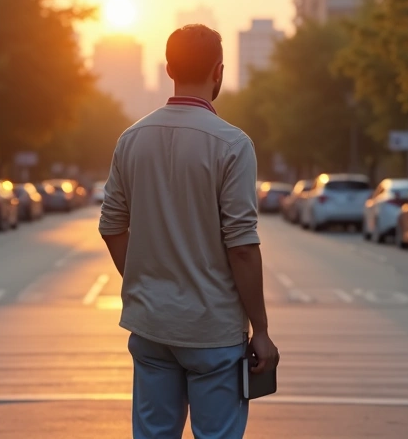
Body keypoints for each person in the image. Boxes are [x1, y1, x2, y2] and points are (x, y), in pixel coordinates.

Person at [99, 24, 279, 439]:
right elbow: (242, 247)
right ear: (218, 71)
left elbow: (111, 226)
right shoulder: (233, 144)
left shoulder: (131, 139)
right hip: (212, 329)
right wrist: (262, 331)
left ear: (168, 69)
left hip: (150, 326)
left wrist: (146, 283)